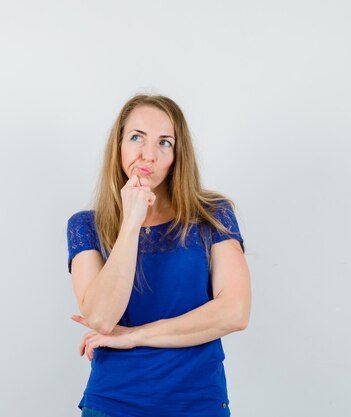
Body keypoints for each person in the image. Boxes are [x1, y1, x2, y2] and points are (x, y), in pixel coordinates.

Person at [66, 94, 251, 417]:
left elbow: (235, 312)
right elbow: (101, 317)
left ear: (178, 155)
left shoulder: (212, 216)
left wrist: (135, 336)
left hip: (197, 402)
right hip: (113, 402)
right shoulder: (86, 226)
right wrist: (131, 221)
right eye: (136, 137)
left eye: (164, 142)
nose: (148, 154)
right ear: (119, 145)